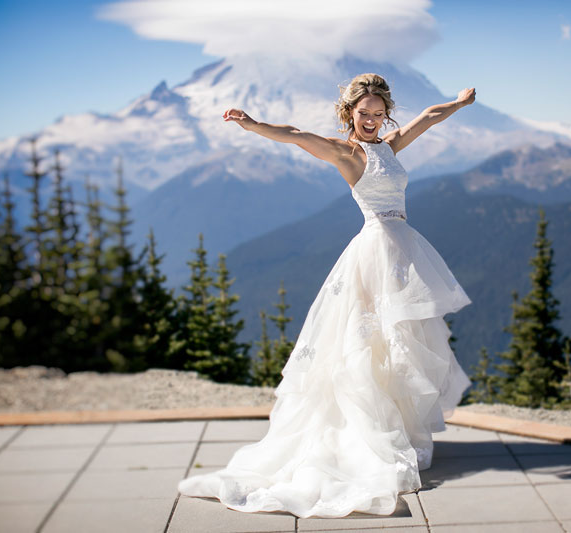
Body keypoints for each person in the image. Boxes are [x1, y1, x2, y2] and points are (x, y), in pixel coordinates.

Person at [177, 73, 475, 518]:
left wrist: (459, 102)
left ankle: (395, 430)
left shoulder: (388, 146)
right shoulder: (346, 152)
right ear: (350, 113)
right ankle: (364, 436)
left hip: (401, 251)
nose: (372, 120)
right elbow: (297, 136)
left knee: (396, 346)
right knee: (366, 346)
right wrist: (255, 125)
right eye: (364, 113)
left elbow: (428, 117)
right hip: (374, 250)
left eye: (378, 113)